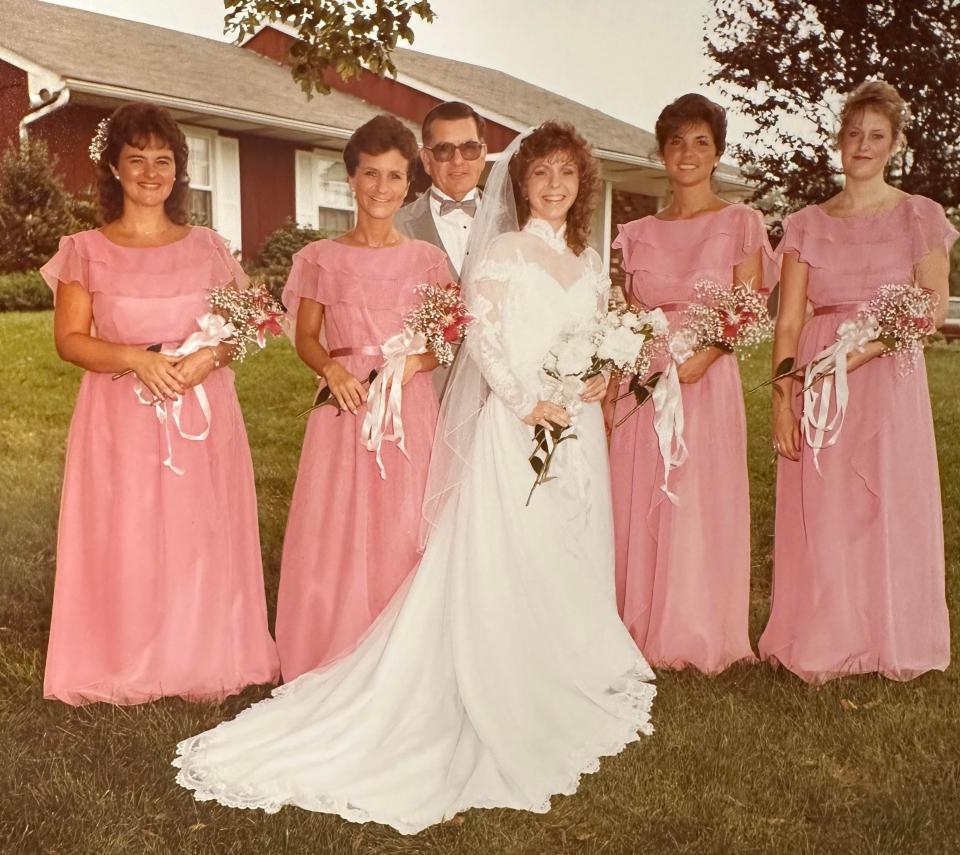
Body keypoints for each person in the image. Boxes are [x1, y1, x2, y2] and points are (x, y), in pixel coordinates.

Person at [174, 122, 655, 833]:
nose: (554, 185)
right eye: (540, 173)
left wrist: (601, 371)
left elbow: (594, 334)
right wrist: (530, 401)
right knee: (509, 548)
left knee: (569, 541)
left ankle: (567, 658)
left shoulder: (588, 261)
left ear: (583, 182)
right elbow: (484, 344)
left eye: (567, 173)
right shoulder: (500, 255)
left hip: (576, 428)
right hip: (521, 419)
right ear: (520, 183)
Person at [41, 102, 279, 705]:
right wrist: (138, 359)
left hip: (201, 405)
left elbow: (246, 320)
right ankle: (127, 657)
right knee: (128, 534)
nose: (151, 172)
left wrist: (209, 358)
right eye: (137, 159)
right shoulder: (84, 249)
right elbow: (70, 340)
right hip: (120, 413)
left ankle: (199, 655)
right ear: (114, 169)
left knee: (198, 533)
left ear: (179, 171)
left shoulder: (206, 246)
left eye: (163, 161)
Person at [759, 81, 955, 683]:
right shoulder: (805, 224)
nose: (862, 146)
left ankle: (888, 633)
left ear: (894, 145)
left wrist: (866, 349)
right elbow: (789, 320)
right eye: (853, 134)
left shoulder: (920, 215)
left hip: (887, 374)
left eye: (876, 136)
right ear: (838, 143)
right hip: (819, 372)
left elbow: (927, 307)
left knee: (887, 501)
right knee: (828, 503)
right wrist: (784, 400)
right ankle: (827, 631)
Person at [275, 115, 450, 681]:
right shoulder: (322, 256)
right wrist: (331, 368)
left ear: (410, 184)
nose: (382, 187)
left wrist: (411, 365)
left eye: (395, 176)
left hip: (408, 401)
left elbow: (450, 337)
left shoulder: (426, 260)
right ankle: (336, 638)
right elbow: (306, 336)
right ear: (350, 178)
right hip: (345, 400)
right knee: (338, 519)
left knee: (403, 520)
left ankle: (404, 647)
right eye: (370, 173)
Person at [606, 94, 771, 674]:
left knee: (697, 495)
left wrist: (705, 356)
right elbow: (626, 311)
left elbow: (748, 305)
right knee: (640, 489)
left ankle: (695, 627)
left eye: (701, 141)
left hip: (705, 376)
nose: (687, 152)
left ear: (718, 152)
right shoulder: (638, 231)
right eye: (676, 141)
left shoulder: (741, 222)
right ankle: (638, 618)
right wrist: (620, 377)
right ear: (661, 151)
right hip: (643, 375)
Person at [396, 101, 488, 397]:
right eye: (445, 150)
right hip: (424, 393)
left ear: (483, 154)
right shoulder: (396, 227)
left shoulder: (515, 226)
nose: (458, 160)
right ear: (426, 159)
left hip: (499, 402)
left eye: (469, 148)